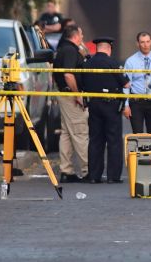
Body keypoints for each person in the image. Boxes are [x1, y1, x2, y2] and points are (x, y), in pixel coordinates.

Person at [81, 37, 130, 184]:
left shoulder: (87, 64)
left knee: (95, 140)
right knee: (114, 141)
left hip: (94, 104)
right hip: (111, 106)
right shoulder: (113, 63)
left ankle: (94, 176)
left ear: (97, 48)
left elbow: (82, 83)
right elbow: (126, 84)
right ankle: (113, 176)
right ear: (109, 48)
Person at [53, 25, 88, 183]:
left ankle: (66, 170)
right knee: (80, 132)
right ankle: (88, 170)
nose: (82, 36)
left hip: (64, 94)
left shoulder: (65, 49)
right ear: (75, 36)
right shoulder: (70, 51)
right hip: (70, 95)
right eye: (81, 34)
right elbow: (68, 74)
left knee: (66, 134)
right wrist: (77, 94)